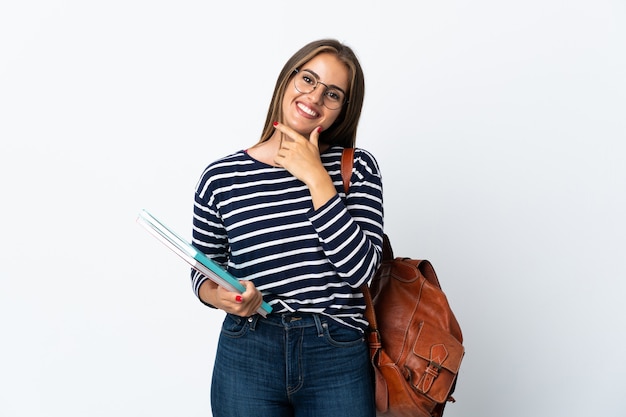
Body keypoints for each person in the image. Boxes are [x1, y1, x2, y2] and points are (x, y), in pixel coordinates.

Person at [191, 38, 383, 417]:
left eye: (332, 94)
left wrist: (316, 177)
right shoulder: (222, 177)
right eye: (308, 79)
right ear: (287, 79)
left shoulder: (356, 168)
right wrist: (223, 297)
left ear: (343, 109)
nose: (314, 96)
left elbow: (361, 272)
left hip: (336, 351)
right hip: (248, 349)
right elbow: (202, 271)